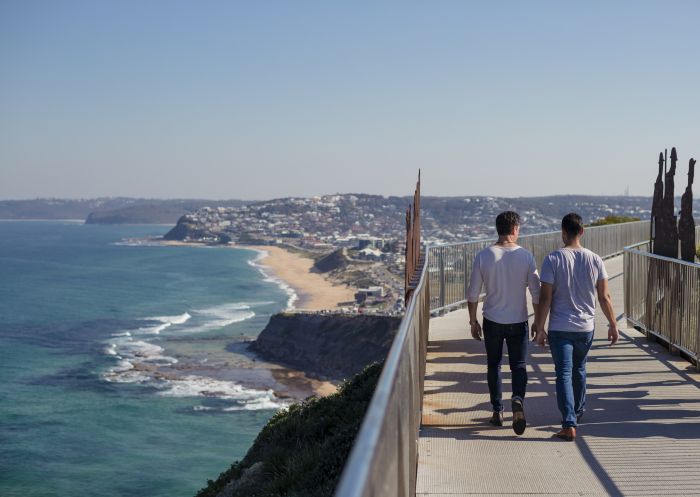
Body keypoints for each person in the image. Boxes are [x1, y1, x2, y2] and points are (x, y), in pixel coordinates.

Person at [534, 213, 619, 441]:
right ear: (582, 232)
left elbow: (545, 298)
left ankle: (569, 422)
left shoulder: (552, 259)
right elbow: (605, 297)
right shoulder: (595, 260)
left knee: (563, 373)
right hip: (585, 327)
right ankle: (577, 412)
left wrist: (540, 328)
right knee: (579, 369)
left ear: (562, 232)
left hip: (560, 327)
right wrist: (612, 324)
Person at [467, 211, 541, 435]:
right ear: (515, 229)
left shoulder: (484, 256)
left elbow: (472, 294)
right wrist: (538, 321)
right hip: (518, 320)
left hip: (492, 319)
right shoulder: (526, 256)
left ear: (498, 229)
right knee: (518, 365)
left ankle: (497, 411)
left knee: (494, 365)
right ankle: (517, 399)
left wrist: (473, 321)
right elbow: (536, 293)